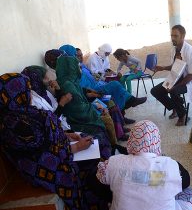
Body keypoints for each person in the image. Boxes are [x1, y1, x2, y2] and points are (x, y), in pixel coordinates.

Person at [0, 73, 112, 210]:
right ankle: (96, 201)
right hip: (46, 166)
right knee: (92, 165)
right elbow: (43, 156)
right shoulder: (15, 125)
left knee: (96, 143)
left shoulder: (23, 112)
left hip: (59, 148)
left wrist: (66, 135)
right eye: (27, 90)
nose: (30, 93)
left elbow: (46, 136)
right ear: (16, 94)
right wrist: (75, 148)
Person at [96, 120, 192, 210]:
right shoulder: (169, 165)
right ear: (157, 141)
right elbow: (186, 181)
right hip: (160, 176)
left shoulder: (114, 162)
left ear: (131, 140)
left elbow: (96, 181)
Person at [151, 25, 192, 126]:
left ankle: (183, 115)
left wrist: (176, 86)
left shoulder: (190, 51)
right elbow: (175, 66)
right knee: (156, 91)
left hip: (190, 81)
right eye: (172, 36)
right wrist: (163, 68)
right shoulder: (174, 50)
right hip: (177, 77)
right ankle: (175, 107)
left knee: (173, 90)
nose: (173, 38)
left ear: (183, 36)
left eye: (176, 36)